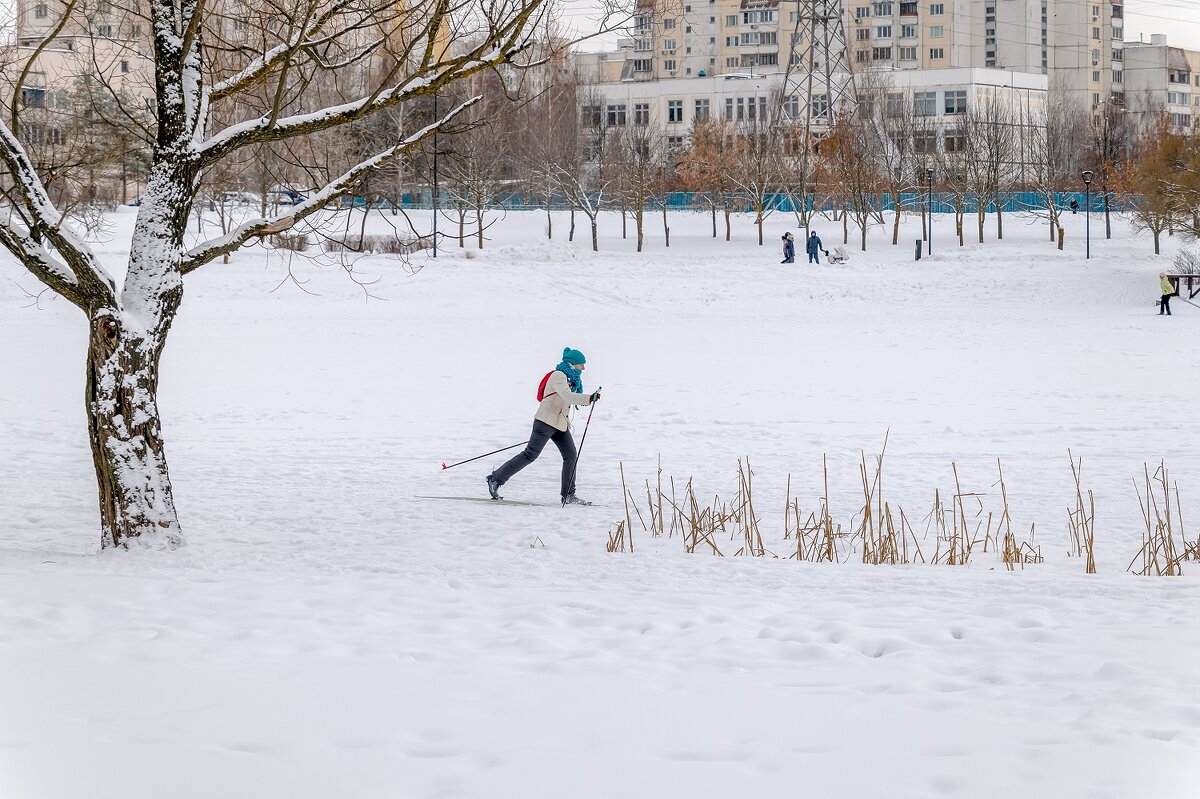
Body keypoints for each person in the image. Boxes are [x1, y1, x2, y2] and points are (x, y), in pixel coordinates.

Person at [487, 348, 601, 505]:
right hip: (545, 422)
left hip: (559, 424)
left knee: (571, 456)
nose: (584, 368)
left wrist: (589, 398)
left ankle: (568, 495)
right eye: (582, 364)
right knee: (530, 454)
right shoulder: (558, 376)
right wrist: (588, 398)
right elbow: (567, 396)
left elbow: (568, 398)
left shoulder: (572, 379)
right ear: (573, 364)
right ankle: (495, 479)